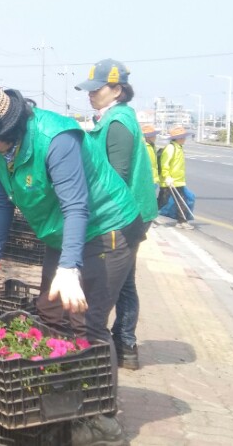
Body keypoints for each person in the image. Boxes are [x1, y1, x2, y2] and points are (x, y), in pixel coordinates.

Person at [0, 85, 140, 446]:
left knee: (86, 324)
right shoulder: (0, 149)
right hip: (63, 233)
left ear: (9, 127)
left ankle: (102, 421)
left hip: (106, 229)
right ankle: (63, 400)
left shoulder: (56, 137)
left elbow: (76, 205)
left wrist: (69, 268)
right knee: (51, 315)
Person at [76, 59, 159, 371]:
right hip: (129, 210)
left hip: (126, 213)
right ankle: (125, 344)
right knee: (125, 280)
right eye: (90, 89)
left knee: (118, 280)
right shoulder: (112, 118)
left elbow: (117, 178)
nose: (91, 94)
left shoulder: (118, 123)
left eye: (97, 89)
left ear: (117, 89)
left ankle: (121, 342)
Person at [157, 126, 193, 229]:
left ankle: (182, 221)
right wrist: (167, 177)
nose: (184, 139)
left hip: (177, 181)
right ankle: (149, 215)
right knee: (162, 201)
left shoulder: (179, 148)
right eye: (183, 137)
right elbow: (165, 164)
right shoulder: (170, 148)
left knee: (181, 200)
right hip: (168, 181)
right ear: (178, 138)